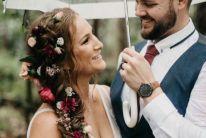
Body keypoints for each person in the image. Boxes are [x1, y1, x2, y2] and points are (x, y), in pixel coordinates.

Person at [19, 8, 121, 138]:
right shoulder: (46, 124)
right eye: (86, 41)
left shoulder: (107, 96)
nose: (99, 44)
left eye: (93, 34)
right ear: (63, 62)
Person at [110, 0, 206, 137]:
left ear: (181, 2)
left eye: (149, 4)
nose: (138, 11)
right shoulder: (132, 53)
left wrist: (147, 89)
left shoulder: (203, 59)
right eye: (137, 2)